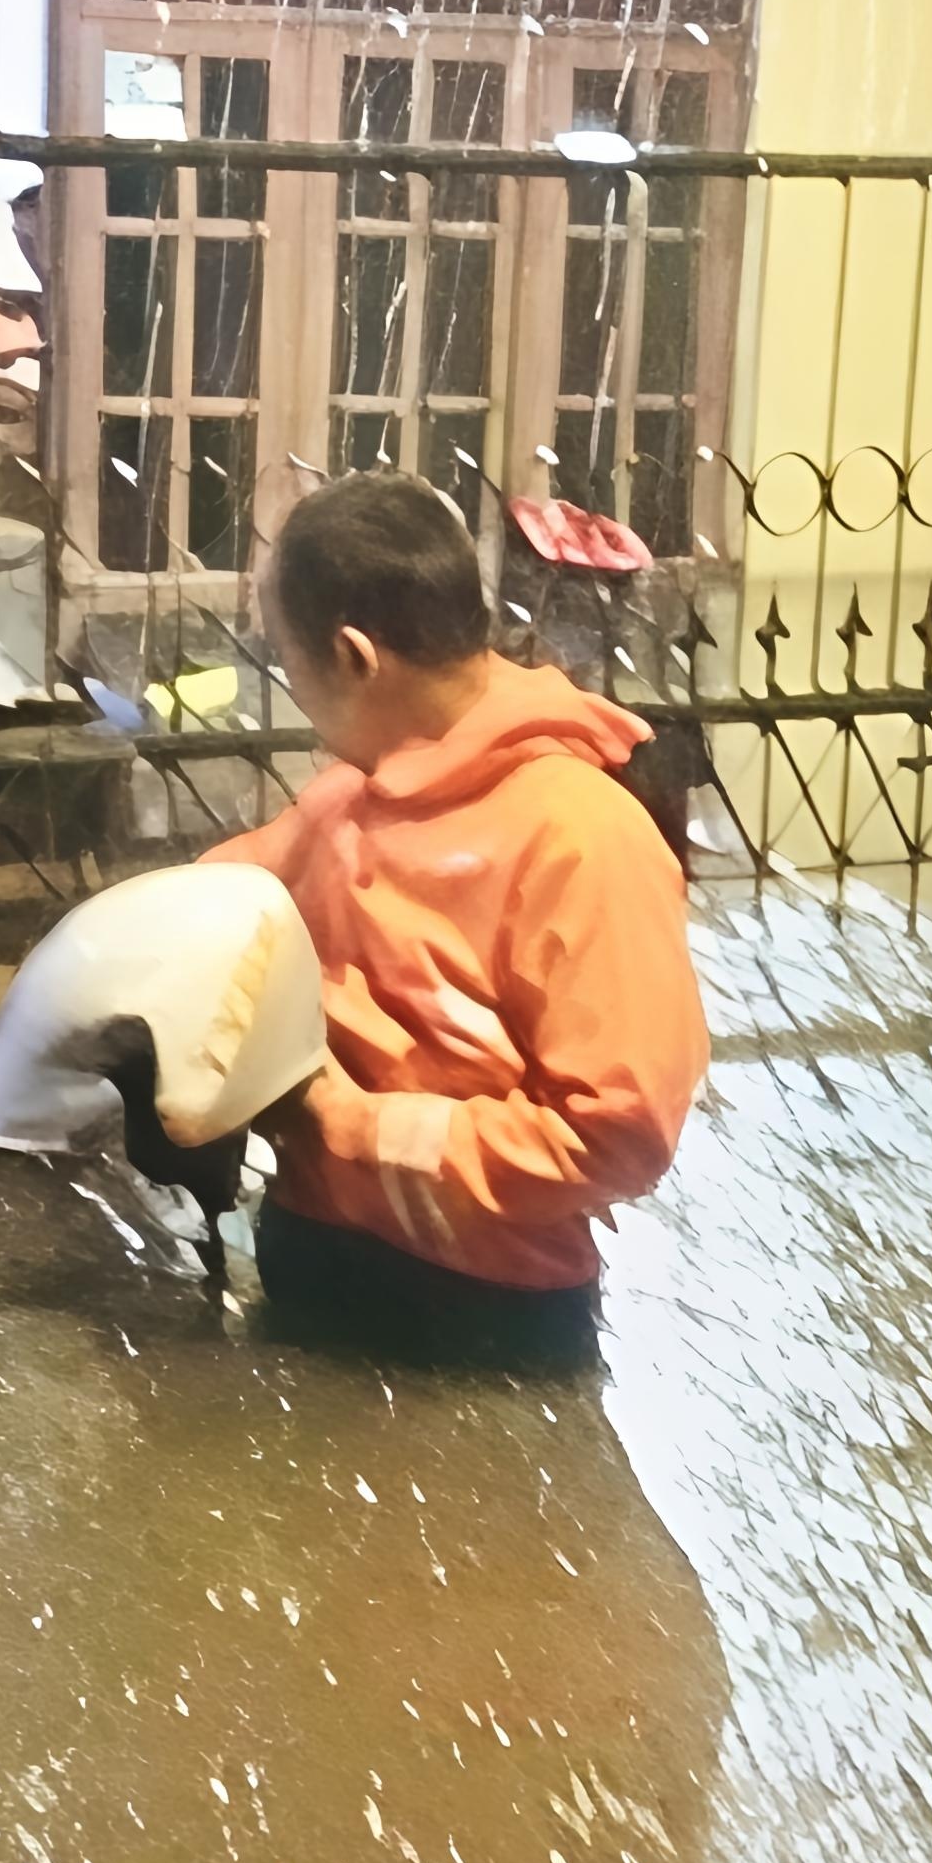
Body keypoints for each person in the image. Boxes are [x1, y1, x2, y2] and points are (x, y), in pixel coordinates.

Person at [209, 472, 708, 1362]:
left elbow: (615, 1135)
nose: (295, 694)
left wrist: (347, 1123)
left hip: (484, 1320)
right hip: (317, 1259)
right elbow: (215, 901)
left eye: (289, 661)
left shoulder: (582, 835)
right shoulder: (350, 799)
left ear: (355, 657)